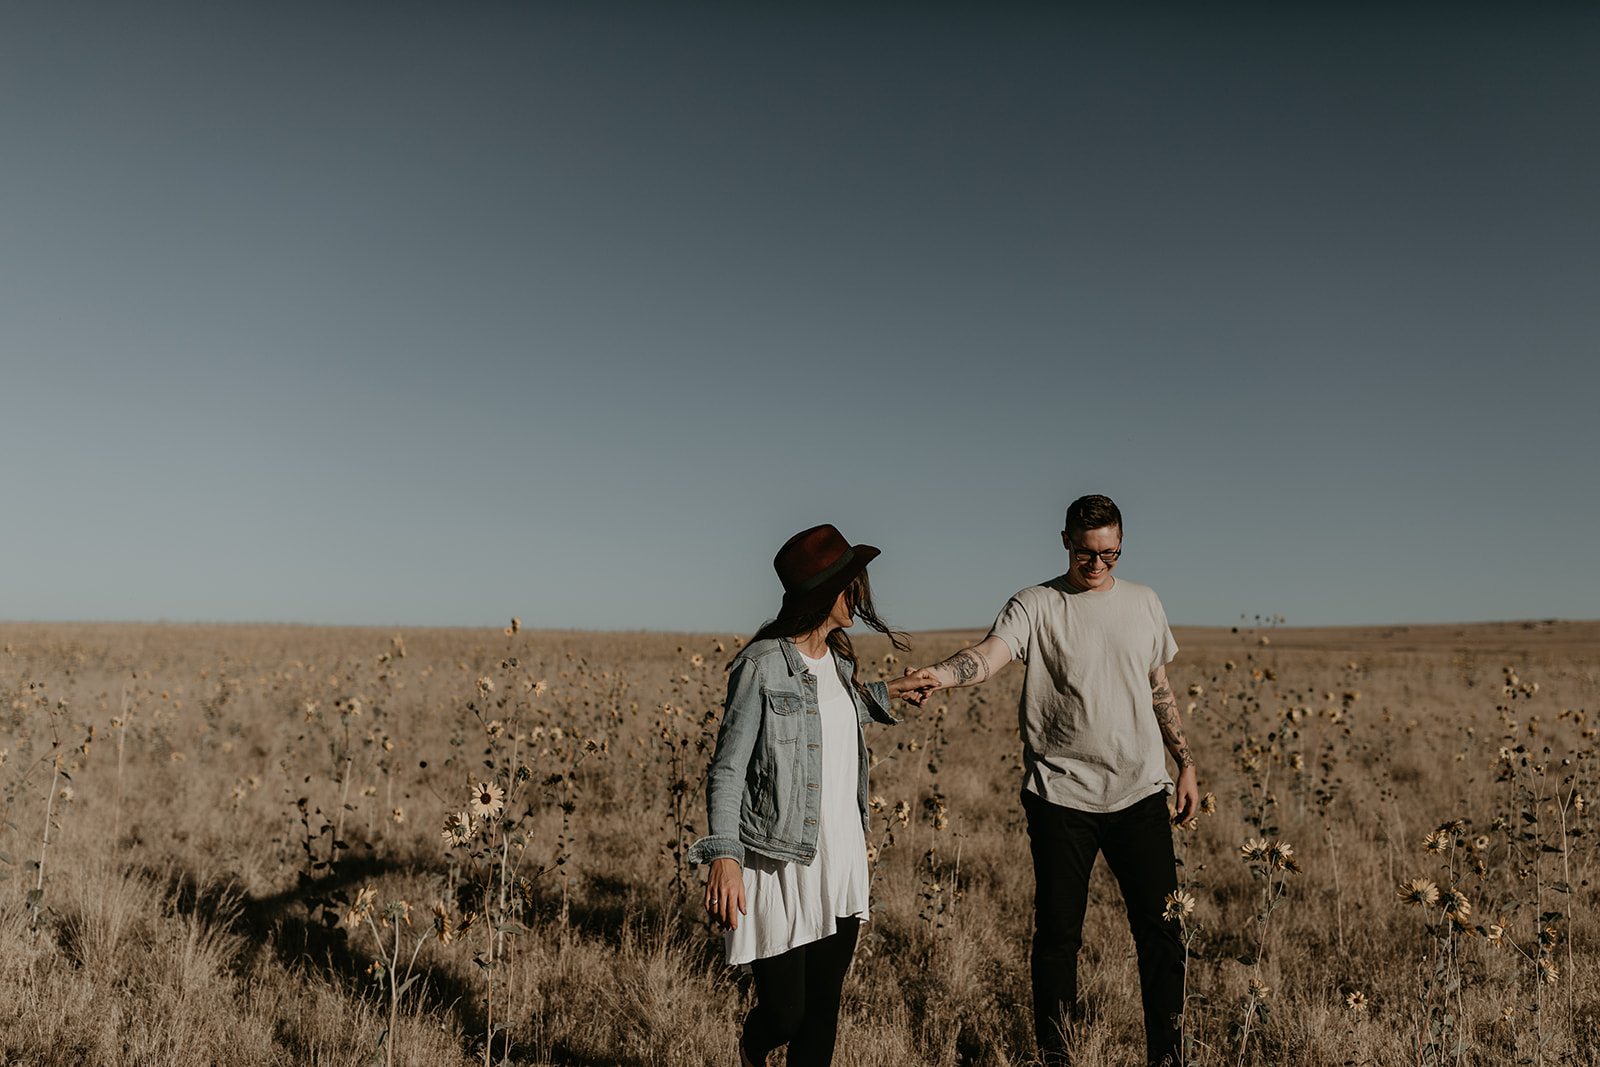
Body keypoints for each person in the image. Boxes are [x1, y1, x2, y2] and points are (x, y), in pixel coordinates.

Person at [904, 494, 1197, 1067]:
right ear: (1065, 541)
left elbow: (1157, 686)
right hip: (1060, 797)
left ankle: (1170, 1057)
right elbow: (990, 655)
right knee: (1059, 936)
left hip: (1140, 791)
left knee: (1162, 935)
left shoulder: (1145, 602)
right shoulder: (1035, 604)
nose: (1097, 566)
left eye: (1109, 555)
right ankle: (1056, 1056)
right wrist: (940, 675)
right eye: (1087, 553)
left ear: (1121, 549)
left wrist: (1184, 761)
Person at [686, 524, 933, 1067]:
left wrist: (889, 694)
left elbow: (826, 716)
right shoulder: (761, 664)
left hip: (841, 860)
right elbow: (727, 769)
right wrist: (724, 857)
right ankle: (753, 1051)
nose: (862, 595)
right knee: (786, 1014)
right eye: (853, 584)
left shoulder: (840, 663)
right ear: (829, 592)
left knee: (823, 1013)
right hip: (780, 862)